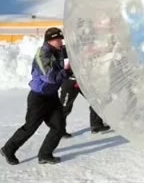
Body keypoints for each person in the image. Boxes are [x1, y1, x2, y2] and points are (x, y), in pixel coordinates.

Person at [1, 28, 69, 165]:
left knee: (59, 126)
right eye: (58, 39)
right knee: (30, 128)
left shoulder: (59, 49)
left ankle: (45, 154)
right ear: (50, 40)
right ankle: (8, 149)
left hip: (52, 96)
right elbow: (50, 77)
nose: (61, 41)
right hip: (38, 98)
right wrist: (67, 71)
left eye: (61, 39)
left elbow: (73, 50)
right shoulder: (42, 55)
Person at [60, 45, 110, 137]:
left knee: (97, 101)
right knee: (65, 107)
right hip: (71, 82)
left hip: (85, 82)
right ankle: (58, 130)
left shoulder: (94, 47)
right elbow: (61, 53)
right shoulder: (74, 46)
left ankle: (96, 125)